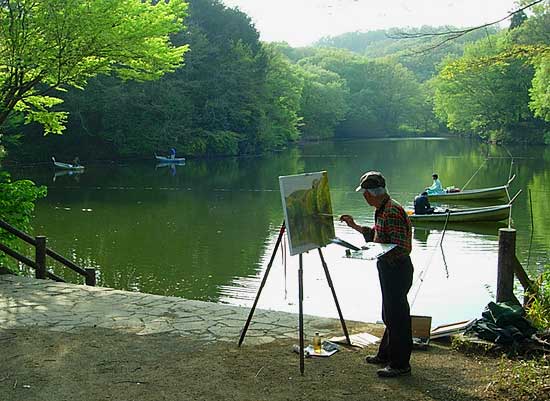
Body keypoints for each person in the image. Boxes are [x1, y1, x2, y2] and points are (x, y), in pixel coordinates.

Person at [339, 171, 413, 378]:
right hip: (388, 268)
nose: (364, 197)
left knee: (397, 317)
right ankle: (386, 355)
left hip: (397, 269)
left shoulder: (392, 211)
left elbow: (401, 247)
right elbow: (377, 236)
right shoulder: (382, 209)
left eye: (365, 193)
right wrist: (354, 226)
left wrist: (376, 252)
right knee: (388, 314)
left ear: (371, 194)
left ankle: (400, 364)